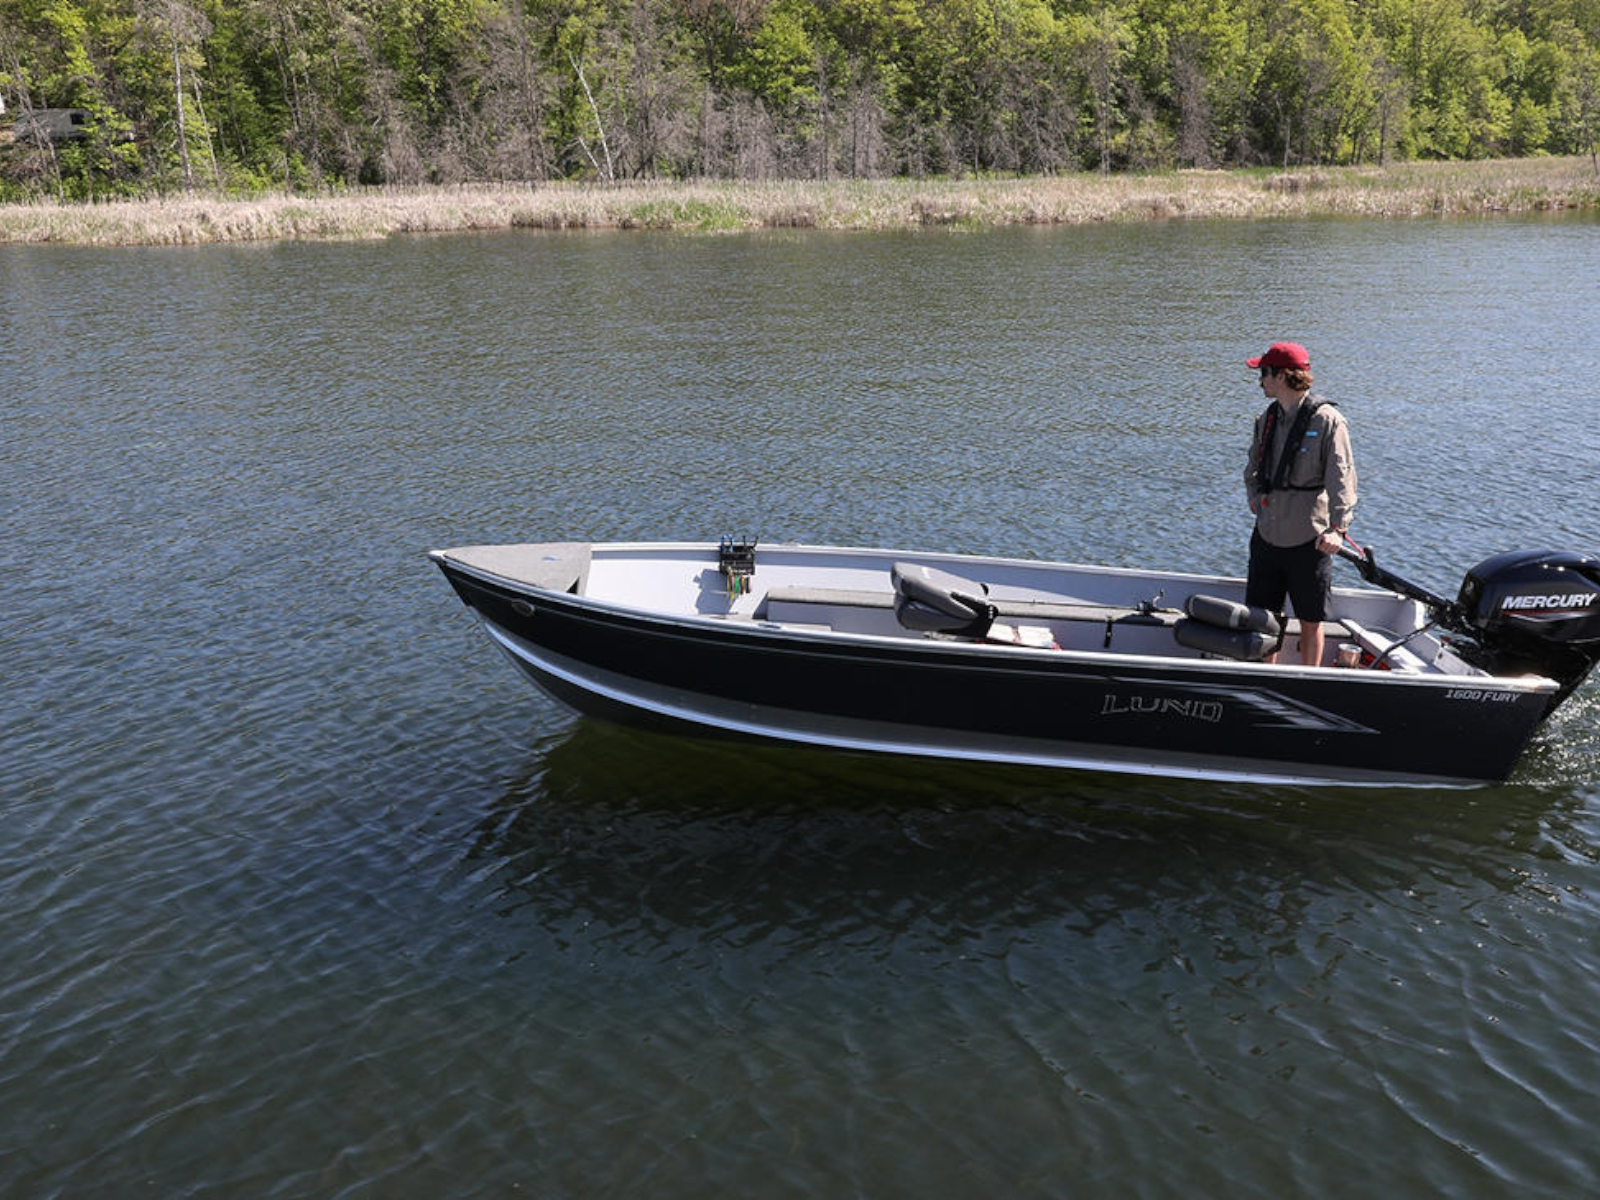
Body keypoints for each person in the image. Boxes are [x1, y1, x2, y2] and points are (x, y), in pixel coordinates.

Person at [1242, 341, 1358, 667]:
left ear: (1281, 376)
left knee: (1311, 618)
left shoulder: (1328, 421)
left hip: (1310, 538)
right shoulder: (1266, 418)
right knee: (1263, 618)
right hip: (1268, 533)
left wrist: (1337, 529)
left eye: (1264, 373)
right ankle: (1265, 677)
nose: (1260, 380)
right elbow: (1251, 469)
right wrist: (1254, 497)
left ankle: (1308, 680)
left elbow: (1342, 478)